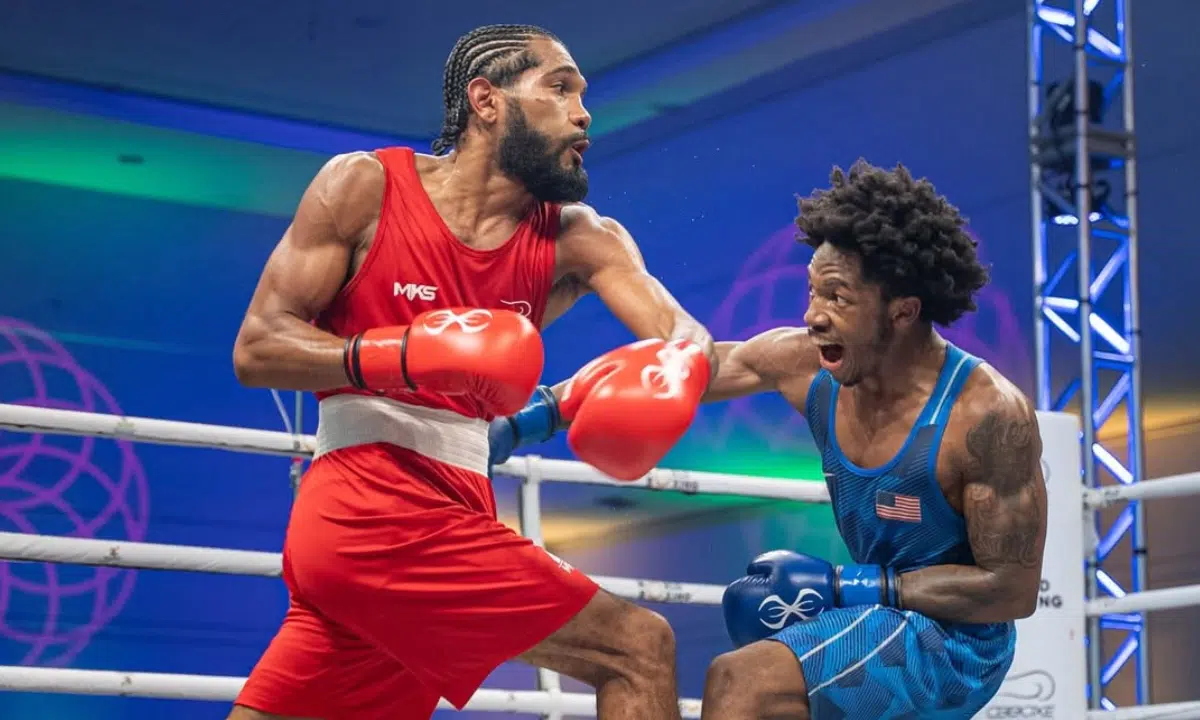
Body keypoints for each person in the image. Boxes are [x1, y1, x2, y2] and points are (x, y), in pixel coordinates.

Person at [227, 23, 714, 720]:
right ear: (486, 101)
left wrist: (676, 369)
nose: (585, 114)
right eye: (560, 88)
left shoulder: (579, 237)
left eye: (584, 95)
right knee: (638, 648)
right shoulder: (364, 186)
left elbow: (682, 336)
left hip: (454, 502)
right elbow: (257, 348)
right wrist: (401, 353)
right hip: (370, 509)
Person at [696, 160, 1048, 719]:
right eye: (812, 292)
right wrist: (546, 406)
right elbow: (693, 370)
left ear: (904, 311)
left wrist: (849, 584)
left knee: (742, 682)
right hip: (877, 618)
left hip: (958, 644)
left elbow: (1010, 591)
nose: (813, 316)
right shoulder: (806, 367)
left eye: (837, 298)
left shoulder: (984, 416)